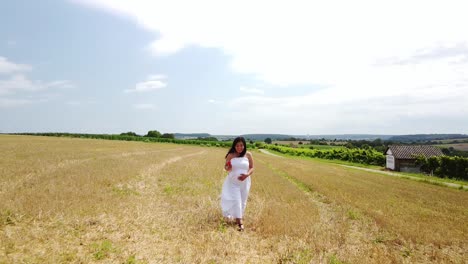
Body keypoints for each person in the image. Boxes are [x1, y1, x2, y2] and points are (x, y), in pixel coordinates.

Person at [220, 136, 254, 231]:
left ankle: (238, 216)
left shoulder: (248, 155)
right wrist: (228, 167)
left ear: (244, 146)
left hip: (245, 182)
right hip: (233, 183)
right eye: (237, 145)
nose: (239, 147)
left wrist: (246, 175)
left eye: (241, 145)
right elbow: (227, 168)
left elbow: (252, 167)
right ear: (234, 146)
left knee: (243, 201)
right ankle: (240, 223)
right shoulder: (231, 155)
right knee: (236, 200)